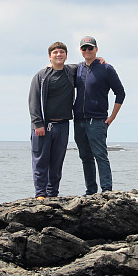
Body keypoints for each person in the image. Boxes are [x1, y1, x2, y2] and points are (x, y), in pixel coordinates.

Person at [73, 36, 125, 194]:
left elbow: (120, 93)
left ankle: (106, 190)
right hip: (79, 121)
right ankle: (90, 190)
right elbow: (59, 67)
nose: (87, 51)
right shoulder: (78, 69)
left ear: (96, 49)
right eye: (84, 48)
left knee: (100, 156)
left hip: (97, 121)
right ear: (80, 50)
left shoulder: (106, 69)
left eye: (90, 48)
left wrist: (112, 117)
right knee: (85, 157)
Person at [28, 42, 77, 199]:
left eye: (62, 52)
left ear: (66, 56)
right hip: (43, 126)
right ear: (50, 56)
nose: (58, 54)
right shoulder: (41, 76)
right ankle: (40, 194)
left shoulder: (71, 71)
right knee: (41, 162)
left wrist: (99, 59)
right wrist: (37, 124)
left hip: (62, 125)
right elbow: (33, 101)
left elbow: (87, 65)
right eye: (55, 52)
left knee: (57, 163)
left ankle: (53, 194)